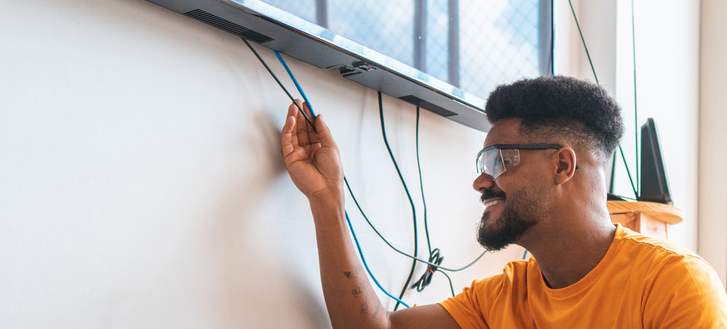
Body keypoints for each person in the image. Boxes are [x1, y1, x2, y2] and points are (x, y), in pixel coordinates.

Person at [280, 75, 727, 328]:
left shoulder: (675, 286)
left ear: (562, 166)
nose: (480, 181)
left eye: (497, 161)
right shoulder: (504, 297)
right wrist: (327, 199)